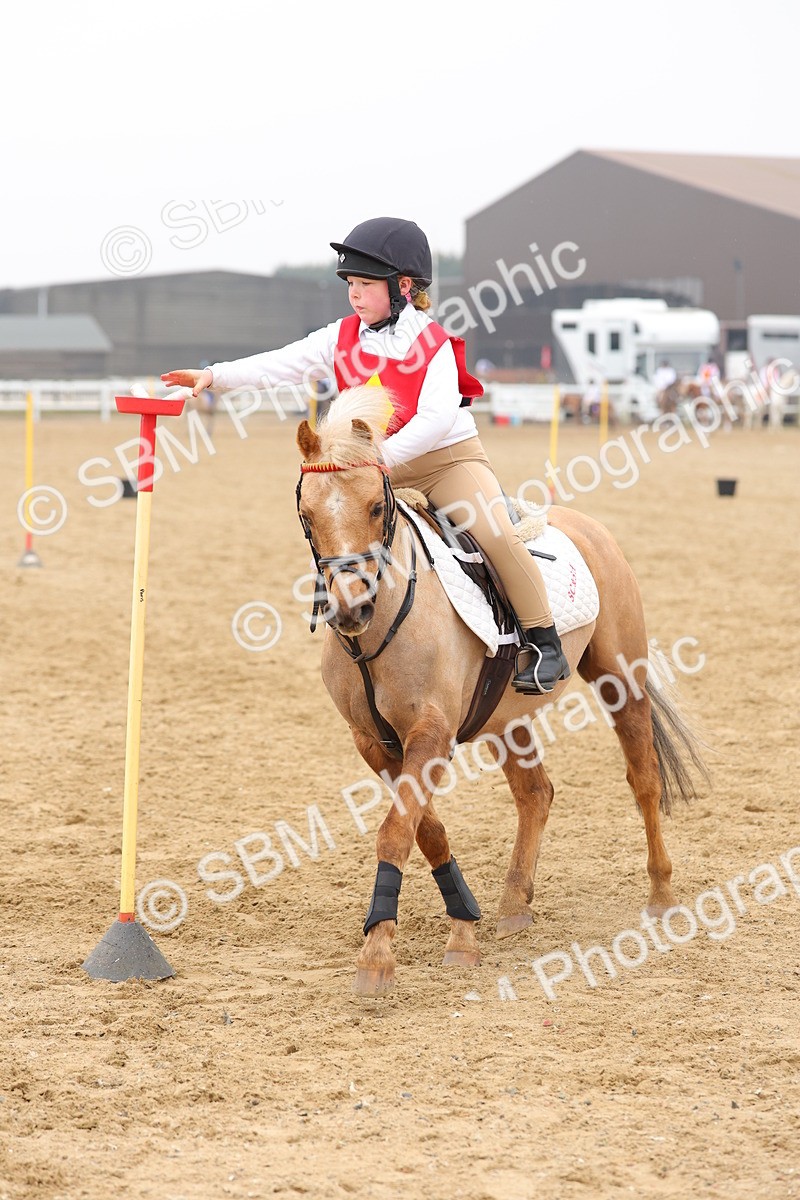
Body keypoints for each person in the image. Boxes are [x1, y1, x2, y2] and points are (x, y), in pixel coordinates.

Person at [162, 217, 569, 694]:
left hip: (446, 462)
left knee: (496, 534)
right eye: (350, 284)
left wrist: (379, 459)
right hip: (370, 470)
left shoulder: (433, 342)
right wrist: (215, 376)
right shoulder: (340, 336)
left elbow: (436, 418)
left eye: (365, 285)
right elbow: (281, 363)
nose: (354, 294)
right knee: (335, 530)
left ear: (403, 287)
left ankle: (545, 642)